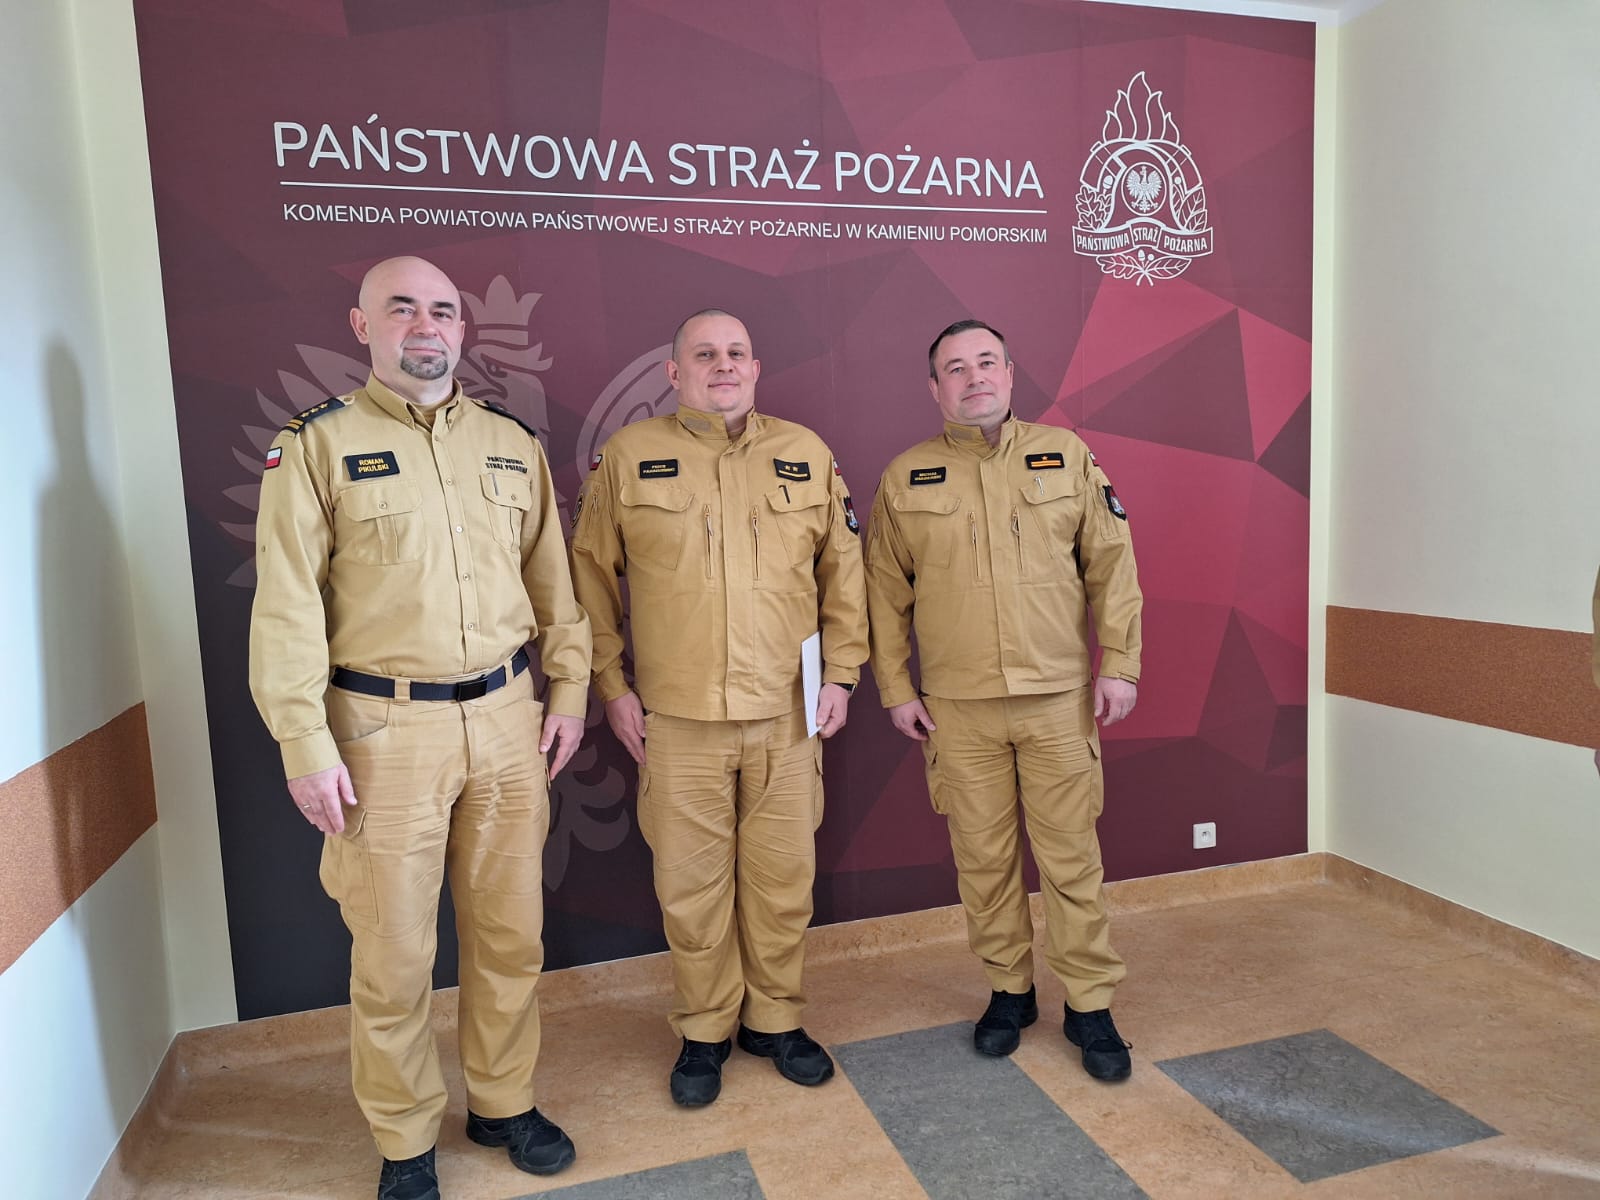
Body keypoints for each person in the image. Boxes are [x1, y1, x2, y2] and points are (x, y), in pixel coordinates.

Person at [249, 256, 591, 1200]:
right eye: (401, 308)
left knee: (510, 937)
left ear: (462, 329)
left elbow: (554, 585)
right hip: (382, 732)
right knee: (395, 955)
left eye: (442, 309)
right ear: (363, 326)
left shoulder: (510, 444)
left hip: (508, 722)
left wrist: (567, 692)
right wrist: (303, 744)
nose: (425, 325)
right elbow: (286, 607)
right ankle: (404, 1140)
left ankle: (503, 1102)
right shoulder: (317, 445)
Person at [568, 309, 868, 1107]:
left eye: (736, 353)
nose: (723, 365)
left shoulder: (806, 454)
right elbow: (588, 580)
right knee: (691, 888)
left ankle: (775, 1020)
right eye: (705, 354)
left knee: (782, 883)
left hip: (787, 715)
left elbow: (844, 573)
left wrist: (841, 676)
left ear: (756, 368)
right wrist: (612, 688)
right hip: (679, 721)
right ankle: (704, 1030)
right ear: (675, 373)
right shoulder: (629, 457)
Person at [863, 319, 1144, 1082]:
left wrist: (1119, 664)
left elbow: (1112, 565)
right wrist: (896, 687)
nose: (973, 377)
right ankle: (1009, 991)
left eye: (986, 362)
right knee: (983, 861)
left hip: (1057, 698)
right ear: (934, 387)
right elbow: (882, 594)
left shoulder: (1067, 455)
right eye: (955, 368)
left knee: (1071, 859)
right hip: (958, 708)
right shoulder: (906, 476)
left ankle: (1089, 1003)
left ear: (1011, 374)